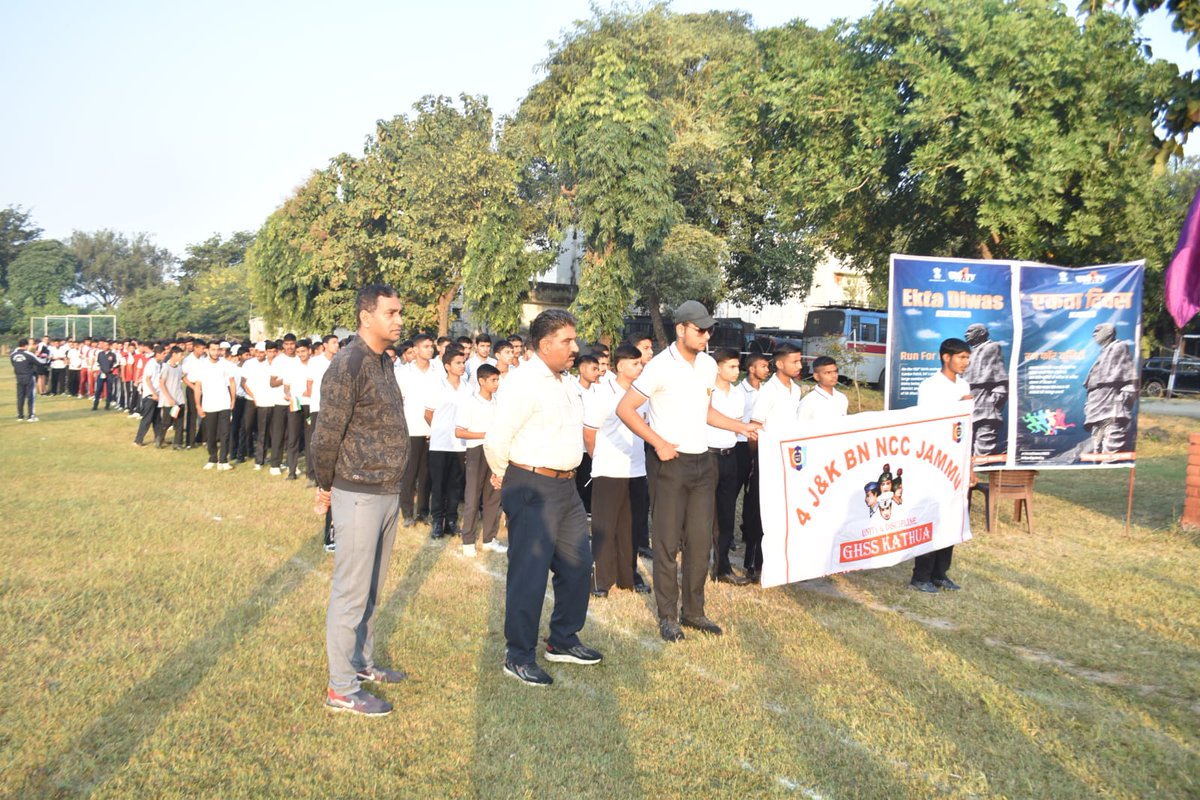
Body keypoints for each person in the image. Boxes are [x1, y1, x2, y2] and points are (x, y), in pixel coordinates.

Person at [616, 301, 760, 643]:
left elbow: (705, 411)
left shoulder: (708, 365)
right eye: (700, 329)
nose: (706, 336)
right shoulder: (659, 367)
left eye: (709, 330)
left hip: (703, 462)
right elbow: (626, 409)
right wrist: (658, 443)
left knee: (699, 542)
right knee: (667, 543)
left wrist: (742, 427)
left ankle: (694, 611)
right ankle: (668, 616)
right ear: (681, 329)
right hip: (670, 464)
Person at [484, 309, 602, 686]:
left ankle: (563, 639)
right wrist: (507, 476)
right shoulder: (523, 382)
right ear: (545, 344)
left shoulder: (564, 381)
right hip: (532, 484)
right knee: (530, 574)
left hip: (566, 487)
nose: (575, 347)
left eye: (574, 339)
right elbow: (496, 439)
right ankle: (518, 655)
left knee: (578, 565)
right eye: (567, 340)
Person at [312, 284, 410, 716]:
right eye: (391, 313)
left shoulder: (383, 360)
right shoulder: (348, 363)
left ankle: (361, 662)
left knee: (371, 589)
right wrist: (324, 484)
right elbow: (326, 434)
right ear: (366, 317)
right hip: (357, 492)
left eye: (400, 312)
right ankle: (341, 688)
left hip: (387, 491)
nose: (399, 320)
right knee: (350, 592)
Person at [584, 344, 650, 597]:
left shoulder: (641, 394)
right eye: (635, 363)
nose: (640, 367)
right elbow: (589, 433)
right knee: (605, 527)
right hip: (609, 469)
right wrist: (599, 457)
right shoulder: (603, 392)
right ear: (620, 366)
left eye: (641, 363)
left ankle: (628, 576)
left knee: (630, 527)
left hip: (636, 469)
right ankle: (601, 579)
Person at [910, 337, 973, 593]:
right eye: (961, 357)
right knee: (932, 516)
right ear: (946, 357)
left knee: (952, 514)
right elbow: (928, 423)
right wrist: (959, 406)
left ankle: (940, 572)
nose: (965, 363)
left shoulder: (964, 384)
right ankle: (921, 575)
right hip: (935, 459)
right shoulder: (930, 386)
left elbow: (966, 427)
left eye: (967, 358)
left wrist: (969, 464)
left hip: (957, 458)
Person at [707, 348, 750, 585]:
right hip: (707, 455)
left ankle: (722, 567)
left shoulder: (738, 395)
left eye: (737, 366)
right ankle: (696, 565)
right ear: (717, 367)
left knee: (726, 514)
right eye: (731, 366)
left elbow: (736, 427)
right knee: (702, 513)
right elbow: (708, 418)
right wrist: (736, 427)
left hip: (729, 455)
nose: (736, 371)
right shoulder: (706, 391)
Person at [455, 363, 506, 556]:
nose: (496, 383)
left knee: (493, 495)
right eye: (493, 380)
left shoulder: (499, 402)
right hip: (477, 452)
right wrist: (486, 434)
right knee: (472, 496)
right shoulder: (470, 402)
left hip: (496, 452)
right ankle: (468, 540)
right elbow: (460, 431)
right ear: (481, 381)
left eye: (497, 379)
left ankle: (489, 539)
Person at [425, 346, 470, 539]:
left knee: (455, 485)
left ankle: (451, 521)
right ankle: (437, 521)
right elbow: (428, 414)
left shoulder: (468, 387)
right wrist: (440, 430)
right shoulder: (437, 385)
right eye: (458, 363)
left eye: (463, 363)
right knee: (438, 485)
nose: (462, 366)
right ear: (447, 366)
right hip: (440, 444)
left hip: (460, 444)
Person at [734, 353, 770, 580]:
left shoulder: (766, 391)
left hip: (761, 446)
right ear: (751, 368)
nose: (767, 370)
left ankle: (748, 531)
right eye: (763, 366)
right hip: (741, 444)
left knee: (753, 495)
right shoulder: (739, 392)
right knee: (737, 491)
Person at [397, 333, 436, 526]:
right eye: (426, 346)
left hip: (432, 430)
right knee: (409, 474)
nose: (430, 350)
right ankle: (407, 513)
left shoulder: (437, 372)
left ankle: (423, 512)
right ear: (416, 349)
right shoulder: (404, 373)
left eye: (431, 346)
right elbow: (398, 401)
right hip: (411, 429)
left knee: (426, 474)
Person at [1083, 323, 1138, 454]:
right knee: (1097, 450)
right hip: (1096, 409)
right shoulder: (1103, 352)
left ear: (1108, 332)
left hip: (1112, 410)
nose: (1094, 334)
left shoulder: (1118, 347)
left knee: (1110, 452)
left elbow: (1130, 381)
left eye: (1097, 331)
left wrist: (1122, 400)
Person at [963, 323, 1008, 457]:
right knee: (965, 443)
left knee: (984, 441)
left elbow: (999, 375)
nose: (966, 334)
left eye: (970, 331)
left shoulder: (992, 347)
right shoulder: (969, 352)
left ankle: (980, 465)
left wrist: (996, 396)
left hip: (984, 399)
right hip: (969, 400)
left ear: (981, 333)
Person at [193, 340, 237, 470]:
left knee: (225, 433)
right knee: (211, 434)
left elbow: (232, 382)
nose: (216, 352)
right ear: (207, 350)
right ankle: (212, 457)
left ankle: (223, 460)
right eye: (213, 349)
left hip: (224, 403)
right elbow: (198, 386)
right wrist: (198, 405)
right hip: (209, 404)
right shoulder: (201, 365)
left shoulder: (226, 364)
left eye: (218, 350)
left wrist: (233, 399)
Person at [797, 356, 849, 422]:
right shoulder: (808, 402)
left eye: (835, 372)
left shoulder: (841, 398)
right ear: (816, 376)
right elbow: (799, 426)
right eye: (828, 373)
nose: (834, 376)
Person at [155, 347, 186, 449]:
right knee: (167, 422)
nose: (182, 357)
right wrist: (169, 398)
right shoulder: (166, 367)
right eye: (180, 355)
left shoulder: (179, 367)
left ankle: (177, 443)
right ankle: (160, 438)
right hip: (168, 400)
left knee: (180, 422)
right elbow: (162, 384)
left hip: (179, 398)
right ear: (174, 354)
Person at [133, 345, 164, 446]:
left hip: (157, 394)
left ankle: (159, 439)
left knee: (157, 419)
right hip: (150, 395)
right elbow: (147, 379)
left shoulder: (158, 364)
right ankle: (138, 440)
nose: (164, 356)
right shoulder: (151, 364)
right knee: (147, 419)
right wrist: (153, 393)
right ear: (158, 354)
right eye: (163, 354)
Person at [10, 338, 40, 421]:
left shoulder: (13, 354)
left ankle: (20, 416)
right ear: (26, 345)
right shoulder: (28, 354)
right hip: (29, 376)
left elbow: (13, 364)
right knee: (31, 396)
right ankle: (31, 416)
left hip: (19, 377)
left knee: (20, 396)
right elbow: (39, 362)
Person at [92, 339, 118, 411]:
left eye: (106, 345)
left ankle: (107, 405)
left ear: (109, 346)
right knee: (98, 389)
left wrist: (112, 368)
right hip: (102, 373)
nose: (104, 347)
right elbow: (98, 362)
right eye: (103, 345)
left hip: (109, 374)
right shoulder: (100, 354)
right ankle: (95, 405)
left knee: (109, 389)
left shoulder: (112, 354)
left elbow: (116, 363)